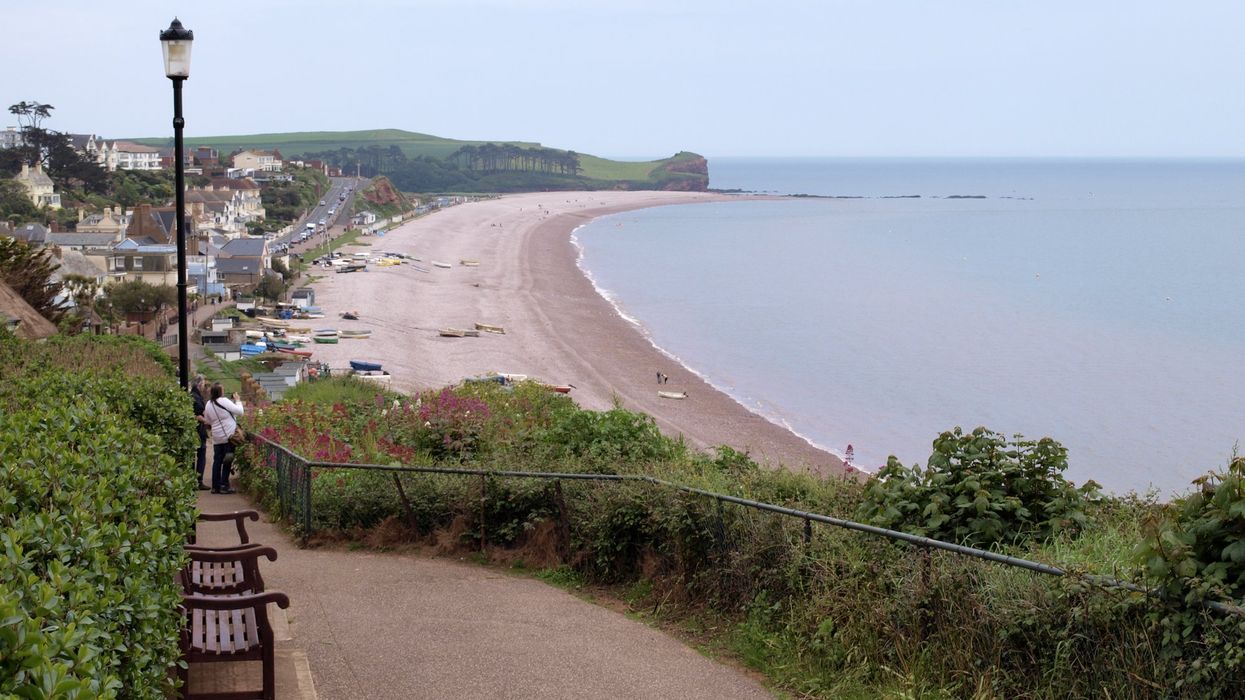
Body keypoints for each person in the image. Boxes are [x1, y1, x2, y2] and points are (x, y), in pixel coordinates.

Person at [203, 383, 244, 494]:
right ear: (220, 392)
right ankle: (224, 485)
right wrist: (238, 400)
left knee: (217, 461)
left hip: (217, 437)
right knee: (227, 461)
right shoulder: (224, 401)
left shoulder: (208, 404)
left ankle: (215, 486)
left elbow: (207, 420)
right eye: (223, 389)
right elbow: (240, 412)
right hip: (228, 437)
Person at [190, 375, 210, 490]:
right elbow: (197, 415)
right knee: (201, 454)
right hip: (198, 430)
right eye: (203, 384)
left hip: (195, 430)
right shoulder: (196, 397)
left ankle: (193, 479)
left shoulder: (193, 395)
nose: (204, 386)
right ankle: (198, 480)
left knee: (194, 455)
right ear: (199, 385)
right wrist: (208, 421)